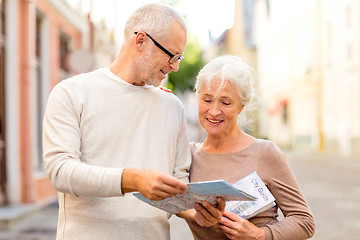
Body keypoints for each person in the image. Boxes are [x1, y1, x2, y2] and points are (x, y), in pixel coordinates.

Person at [42, 3, 192, 240]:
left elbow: (179, 182)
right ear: (140, 40)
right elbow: (61, 172)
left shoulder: (173, 106)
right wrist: (132, 180)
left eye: (180, 57)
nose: (174, 66)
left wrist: (198, 214)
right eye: (172, 55)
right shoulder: (72, 92)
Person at [178, 55, 315, 240]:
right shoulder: (188, 156)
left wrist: (260, 234)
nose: (214, 111)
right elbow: (172, 203)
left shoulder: (265, 153)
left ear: (241, 106)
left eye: (225, 102)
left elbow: (304, 221)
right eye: (207, 100)